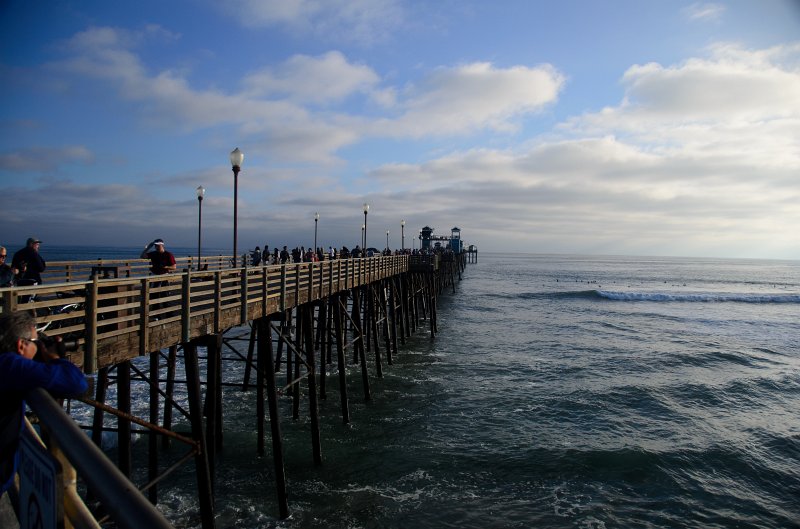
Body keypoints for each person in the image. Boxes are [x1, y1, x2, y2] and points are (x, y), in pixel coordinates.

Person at [0, 311, 88, 516]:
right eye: (35, 341)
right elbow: (77, 383)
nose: (38, 346)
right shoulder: (10, 365)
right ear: (21, 345)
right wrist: (54, 358)